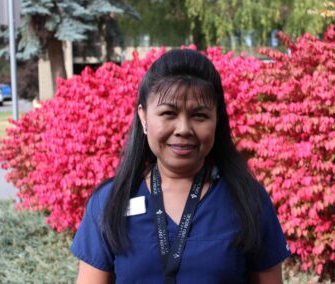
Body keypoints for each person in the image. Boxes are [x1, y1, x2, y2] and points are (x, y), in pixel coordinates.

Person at [71, 49, 291, 284]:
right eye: (168, 113)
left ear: (217, 120)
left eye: (199, 116)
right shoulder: (109, 202)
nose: (183, 129)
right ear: (144, 118)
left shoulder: (249, 201)